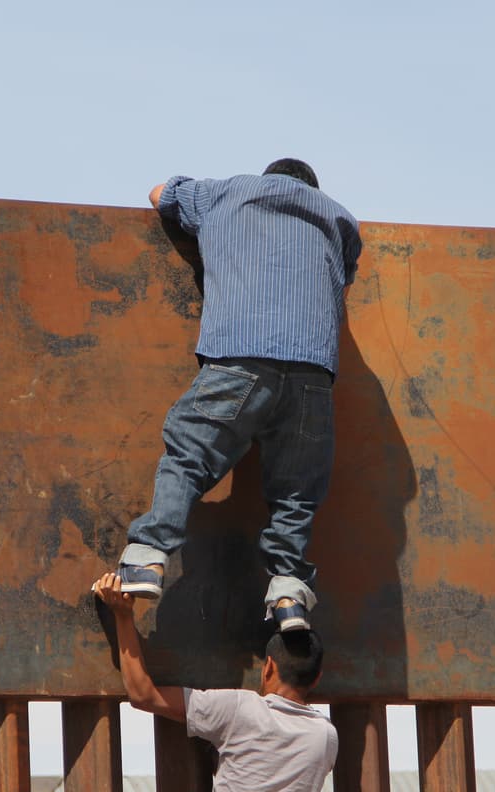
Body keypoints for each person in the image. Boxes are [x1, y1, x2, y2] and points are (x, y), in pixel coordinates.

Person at [118, 158, 363, 632]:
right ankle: (289, 595)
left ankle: (148, 557)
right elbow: (343, 285)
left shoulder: (226, 191)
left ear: (269, 175)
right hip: (313, 372)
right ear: (311, 186)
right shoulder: (339, 217)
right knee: (296, 494)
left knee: (189, 455)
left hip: (240, 355)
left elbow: (158, 193)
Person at [92, 571, 338, 792]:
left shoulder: (240, 710)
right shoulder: (326, 737)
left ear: (268, 667)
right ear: (317, 678)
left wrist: (122, 616)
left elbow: (143, 694)